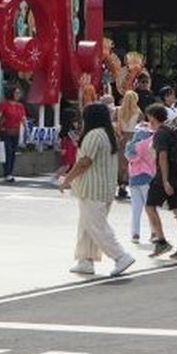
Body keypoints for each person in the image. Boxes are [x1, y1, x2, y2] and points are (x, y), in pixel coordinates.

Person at [59, 103, 136, 277]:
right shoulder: (110, 134)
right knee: (87, 226)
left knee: (96, 226)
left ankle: (120, 256)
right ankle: (85, 260)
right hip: (104, 188)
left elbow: (84, 162)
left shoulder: (94, 135)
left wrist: (67, 179)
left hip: (91, 189)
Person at [144, 104, 177, 259]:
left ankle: (162, 241)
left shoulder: (160, 134)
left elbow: (163, 157)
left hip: (165, 177)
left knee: (150, 206)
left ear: (152, 117)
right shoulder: (172, 130)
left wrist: (165, 180)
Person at [0, 85, 27, 182]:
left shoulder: (20, 106)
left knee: (13, 152)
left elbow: (23, 118)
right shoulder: (4, 104)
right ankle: (7, 173)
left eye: (19, 93)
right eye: (16, 93)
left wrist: (27, 129)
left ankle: (10, 172)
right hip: (5, 131)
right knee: (8, 151)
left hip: (16, 132)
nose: (18, 95)